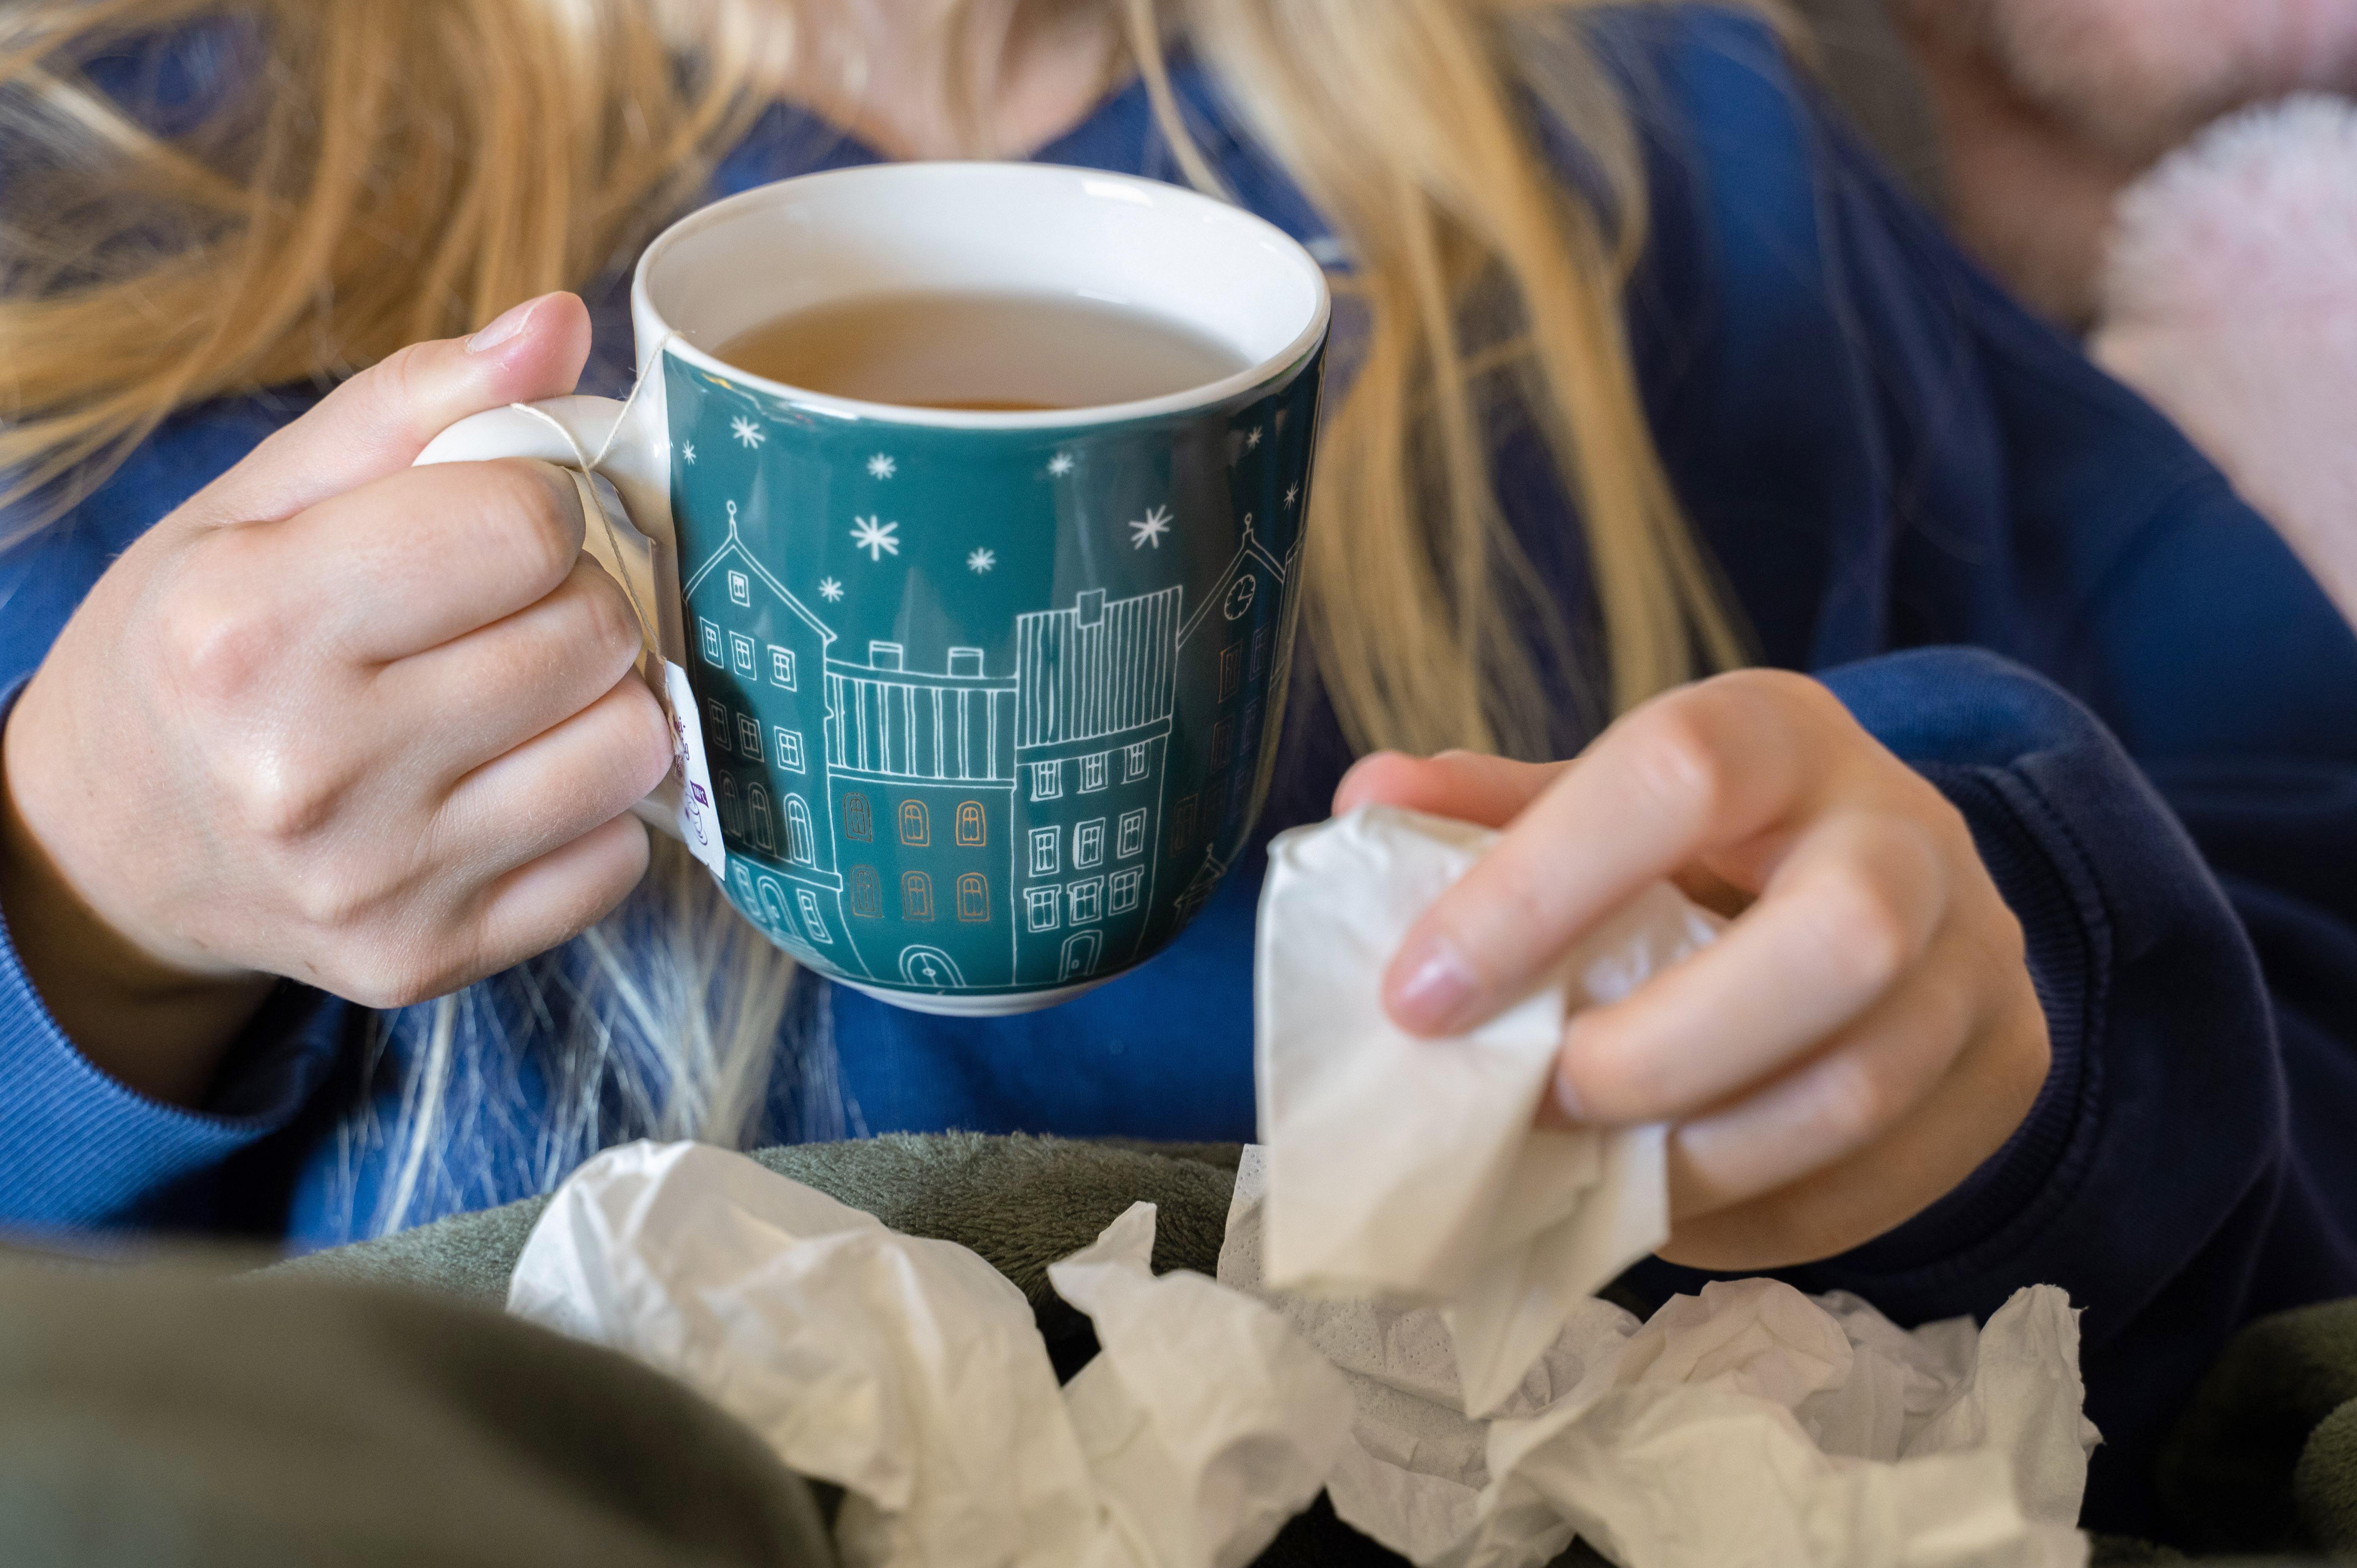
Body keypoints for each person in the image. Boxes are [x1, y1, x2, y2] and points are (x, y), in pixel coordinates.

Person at [0, 0, 2349, 1534]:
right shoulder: (108, 211)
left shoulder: (1674, 166)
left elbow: (2301, 889)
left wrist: (1995, 1041)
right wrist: (86, 885)